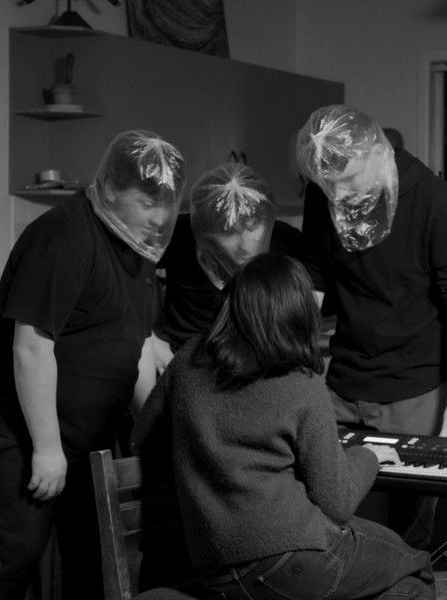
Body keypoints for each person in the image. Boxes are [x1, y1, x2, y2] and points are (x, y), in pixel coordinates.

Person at [132, 253, 435, 600]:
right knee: (417, 566)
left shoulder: (189, 358)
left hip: (211, 567)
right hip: (290, 558)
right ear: (299, 313)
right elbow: (336, 504)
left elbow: (144, 436)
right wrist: (368, 456)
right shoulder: (301, 383)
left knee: (401, 581)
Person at [0, 129, 186, 600]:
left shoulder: (138, 247)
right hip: (20, 428)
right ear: (114, 190)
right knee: (17, 556)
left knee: (91, 559)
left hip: (89, 434)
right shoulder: (64, 237)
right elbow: (32, 346)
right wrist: (47, 449)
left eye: (165, 204)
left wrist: (155, 434)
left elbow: (136, 347)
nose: (158, 216)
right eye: (147, 203)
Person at [296, 104, 447, 550]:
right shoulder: (323, 193)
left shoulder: (432, 199)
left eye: (349, 181)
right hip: (343, 380)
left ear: (377, 153)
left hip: (413, 389)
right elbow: (313, 281)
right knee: (332, 524)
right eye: (329, 185)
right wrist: (292, 361)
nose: (339, 195)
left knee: (407, 540)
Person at [153, 162, 306, 368]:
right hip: (184, 356)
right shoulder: (180, 233)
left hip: (255, 362)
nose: (244, 244)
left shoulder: (286, 242)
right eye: (229, 232)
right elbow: (131, 269)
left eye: (252, 227)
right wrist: (150, 338)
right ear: (205, 231)